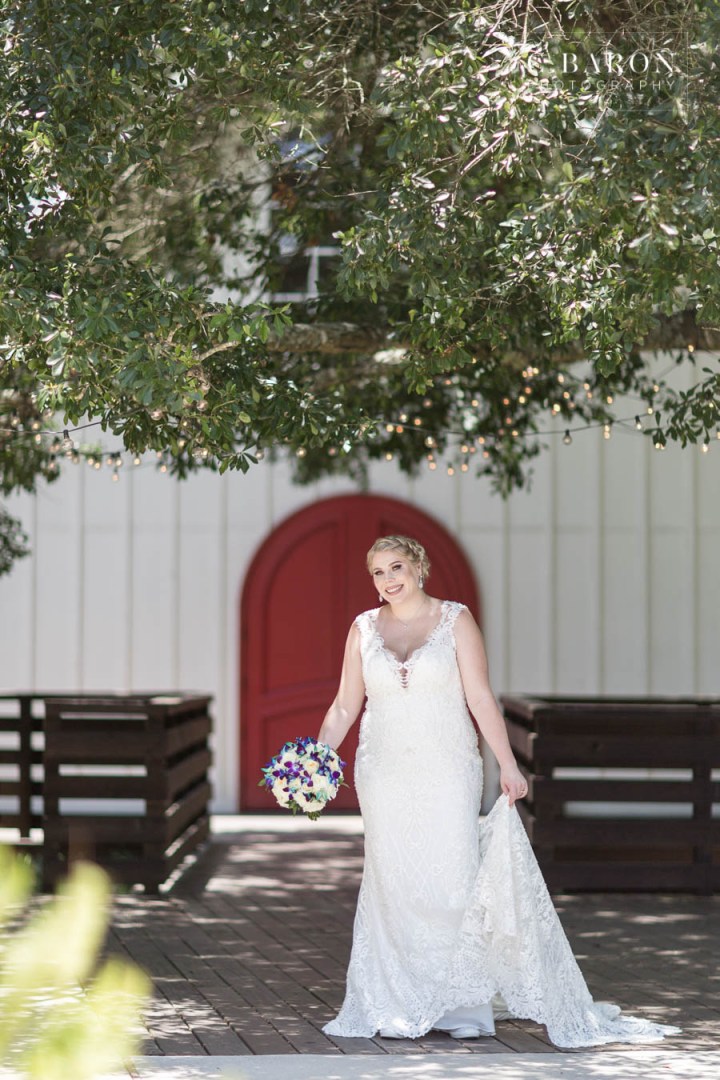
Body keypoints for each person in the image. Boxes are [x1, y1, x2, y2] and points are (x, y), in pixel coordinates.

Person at [317, 535, 680, 1048]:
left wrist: (507, 763)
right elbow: (344, 705)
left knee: (453, 877)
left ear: (419, 566)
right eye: (377, 572)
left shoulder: (456, 620)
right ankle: (395, 1003)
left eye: (396, 567)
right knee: (391, 881)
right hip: (383, 771)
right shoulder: (362, 629)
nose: (388, 579)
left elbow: (481, 697)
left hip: (448, 768)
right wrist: (314, 760)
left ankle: (461, 1005)